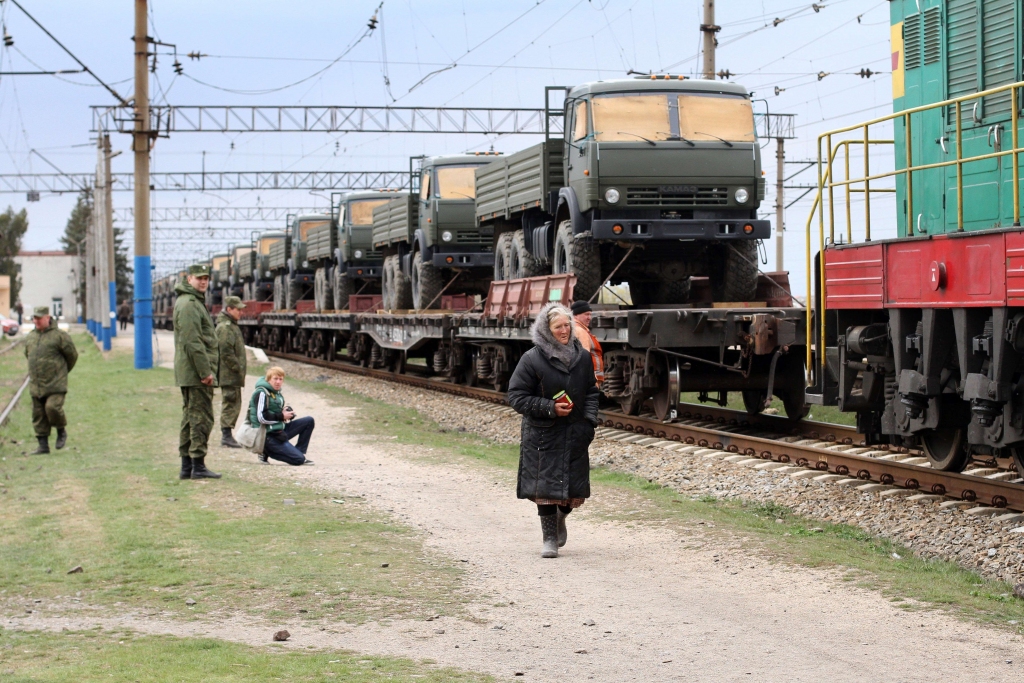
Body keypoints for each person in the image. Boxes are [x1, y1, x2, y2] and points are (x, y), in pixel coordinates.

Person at [507, 302, 600, 558]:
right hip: (543, 434)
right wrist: (549, 407)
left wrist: (590, 421)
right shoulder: (532, 358)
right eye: (558, 326)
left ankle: (561, 518)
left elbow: (592, 391)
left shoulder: (581, 357)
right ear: (546, 330)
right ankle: (548, 538)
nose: (564, 331)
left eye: (567, 325)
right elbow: (516, 396)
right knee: (545, 490)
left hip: (576, 432)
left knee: (573, 493)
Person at [174, 264, 221, 480]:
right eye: (199, 278)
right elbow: (193, 342)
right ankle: (197, 465)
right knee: (201, 417)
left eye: (206, 278)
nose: (203, 282)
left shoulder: (190, 302)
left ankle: (188, 467)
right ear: (189, 278)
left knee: (190, 417)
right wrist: (205, 371)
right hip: (196, 373)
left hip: (190, 372)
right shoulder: (190, 304)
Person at [25, 306, 78, 454]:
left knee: (52, 407)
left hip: (56, 384)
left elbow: (72, 356)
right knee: (38, 414)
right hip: (37, 384)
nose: (36, 321)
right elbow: (28, 355)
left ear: (47, 318)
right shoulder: (30, 337)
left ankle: (61, 431)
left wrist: (61, 372)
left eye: (39, 318)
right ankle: (43, 446)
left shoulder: (60, 336)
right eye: (34, 318)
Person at [248, 366, 315, 466]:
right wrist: (281, 416)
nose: (278, 382)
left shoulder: (276, 392)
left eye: (280, 379)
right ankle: (265, 451)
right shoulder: (262, 392)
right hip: (267, 436)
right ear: (268, 379)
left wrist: (286, 413)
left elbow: (276, 412)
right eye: (275, 379)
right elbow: (261, 418)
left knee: (309, 421)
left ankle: (297, 452)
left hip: (279, 431)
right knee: (299, 460)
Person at [216, 296, 247, 448]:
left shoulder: (231, 325)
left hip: (232, 373)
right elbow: (226, 351)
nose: (241, 312)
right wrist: (237, 368)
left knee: (233, 402)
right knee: (230, 402)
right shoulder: (226, 327)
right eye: (238, 309)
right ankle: (226, 436)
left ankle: (227, 435)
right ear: (229, 309)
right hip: (229, 374)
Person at [571, 300, 604, 385]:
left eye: (590, 314)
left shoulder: (576, 329)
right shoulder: (580, 331)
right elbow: (584, 358)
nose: (589, 317)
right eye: (586, 314)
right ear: (576, 315)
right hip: (590, 379)